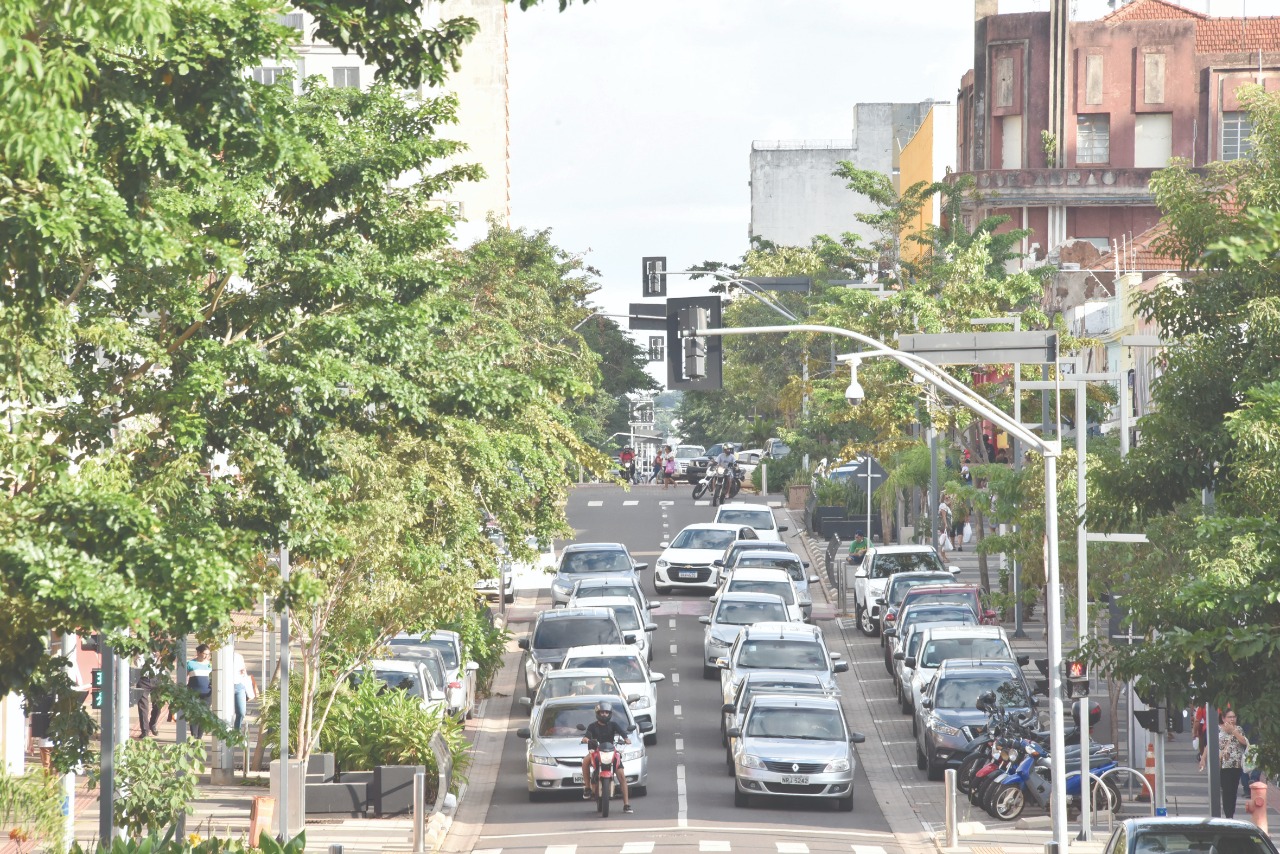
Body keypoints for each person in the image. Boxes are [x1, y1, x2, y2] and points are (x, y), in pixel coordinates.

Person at [580, 702, 633, 813]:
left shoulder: (613, 725)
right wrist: (587, 740)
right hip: (596, 752)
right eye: (602, 712)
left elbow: (623, 733)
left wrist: (626, 739)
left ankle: (626, 804)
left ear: (610, 714)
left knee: (622, 776)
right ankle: (587, 788)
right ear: (597, 713)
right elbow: (586, 737)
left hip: (611, 752)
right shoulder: (592, 726)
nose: (604, 714)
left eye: (606, 712)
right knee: (585, 761)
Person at [1219, 709, 1249, 818]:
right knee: (1226, 790)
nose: (1232, 719)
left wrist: (1234, 731)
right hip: (1223, 766)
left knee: (1233, 791)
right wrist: (1203, 758)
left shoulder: (1239, 729)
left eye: (1234, 716)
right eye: (1229, 717)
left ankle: (1231, 814)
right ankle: (1228, 815)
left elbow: (1244, 742)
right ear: (1223, 718)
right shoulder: (1218, 729)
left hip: (1236, 765)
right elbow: (1210, 745)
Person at [185, 644, 213, 739]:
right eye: (204, 654)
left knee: (203, 715)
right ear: (198, 653)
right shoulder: (190, 664)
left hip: (207, 694)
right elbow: (184, 677)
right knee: (194, 715)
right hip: (193, 693)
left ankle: (199, 738)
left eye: (208, 654)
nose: (206, 656)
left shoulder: (210, 665)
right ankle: (194, 736)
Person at [135, 651, 165, 738]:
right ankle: (145, 731)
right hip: (143, 679)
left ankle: (152, 724)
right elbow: (138, 664)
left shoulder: (162, 649)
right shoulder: (141, 650)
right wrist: (138, 655)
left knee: (158, 705)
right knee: (143, 707)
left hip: (157, 679)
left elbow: (171, 661)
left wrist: (160, 657)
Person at [232, 650, 256, 733]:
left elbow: (243, 671)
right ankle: (229, 732)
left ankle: (236, 732)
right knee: (225, 713)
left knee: (241, 712)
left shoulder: (238, 656)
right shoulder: (220, 656)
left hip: (239, 686)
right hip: (226, 686)